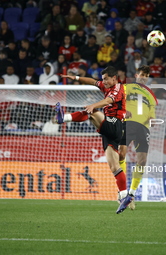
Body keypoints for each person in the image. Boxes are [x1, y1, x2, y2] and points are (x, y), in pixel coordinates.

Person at [59, 66, 131, 214]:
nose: (103, 82)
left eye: (106, 79)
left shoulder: (118, 88)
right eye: (103, 79)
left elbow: (108, 101)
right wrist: (77, 78)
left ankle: (64, 118)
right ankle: (124, 196)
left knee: (92, 113)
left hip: (115, 124)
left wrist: (93, 105)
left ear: (114, 78)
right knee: (114, 167)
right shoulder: (105, 85)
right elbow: (93, 82)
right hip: (109, 131)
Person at [118, 65, 157, 210]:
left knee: (142, 160)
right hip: (127, 122)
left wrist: (152, 119)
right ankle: (121, 193)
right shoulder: (127, 87)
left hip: (143, 127)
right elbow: (117, 100)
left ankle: (131, 195)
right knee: (121, 154)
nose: (144, 77)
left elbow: (152, 112)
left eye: (146, 75)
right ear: (136, 75)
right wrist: (123, 110)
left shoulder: (151, 95)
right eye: (142, 74)